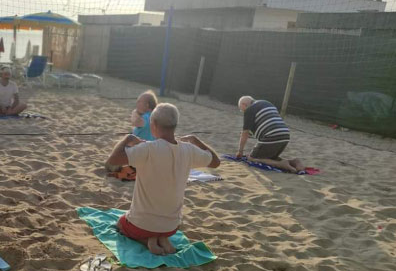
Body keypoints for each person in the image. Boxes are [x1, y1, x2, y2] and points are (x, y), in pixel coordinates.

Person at [106, 103, 220, 255]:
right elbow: (215, 162)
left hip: (140, 225)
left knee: (121, 224)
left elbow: (113, 160)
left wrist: (128, 138)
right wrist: (196, 140)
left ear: (153, 125)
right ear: (174, 126)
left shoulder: (148, 149)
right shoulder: (189, 149)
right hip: (171, 227)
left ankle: (147, 241)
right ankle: (160, 238)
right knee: (159, 225)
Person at [236, 95, 304, 173]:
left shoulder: (249, 110)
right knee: (268, 157)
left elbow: (245, 132)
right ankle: (294, 161)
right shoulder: (267, 103)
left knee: (252, 158)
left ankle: (281, 164)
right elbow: (267, 123)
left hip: (271, 135)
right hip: (285, 135)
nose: (243, 112)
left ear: (244, 105)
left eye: (242, 110)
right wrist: (249, 134)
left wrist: (240, 151)